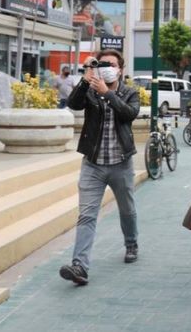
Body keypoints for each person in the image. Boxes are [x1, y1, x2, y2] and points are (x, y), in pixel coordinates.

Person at [59, 50, 139, 286]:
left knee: (127, 210)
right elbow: (73, 104)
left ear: (120, 69)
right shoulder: (90, 89)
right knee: (86, 215)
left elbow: (129, 114)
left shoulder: (129, 92)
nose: (107, 67)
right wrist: (86, 78)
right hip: (93, 164)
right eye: (102, 63)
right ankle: (80, 266)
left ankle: (131, 242)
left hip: (121, 164)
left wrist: (108, 94)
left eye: (111, 64)